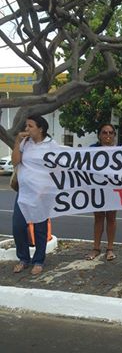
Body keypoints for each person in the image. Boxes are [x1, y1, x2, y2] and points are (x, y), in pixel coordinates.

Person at [11, 115, 58, 275]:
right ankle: (23, 258)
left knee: (40, 228)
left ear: (41, 128)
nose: (26, 129)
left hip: (42, 194)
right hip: (24, 193)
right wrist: (17, 142)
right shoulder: (25, 143)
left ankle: (39, 260)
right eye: (26, 126)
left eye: (30, 126)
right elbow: (15, 162)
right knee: (18, 226)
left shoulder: (51, 145)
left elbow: (58, 168)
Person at [85, 123, 118, 261]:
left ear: (114, 135)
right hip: (97, 187)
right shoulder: (92, 149)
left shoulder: (120, 151)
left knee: (111, 217)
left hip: (112, 188)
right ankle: (96, 248)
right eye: (105, 132)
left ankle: (110, 249)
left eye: (111, 133)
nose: (108, 136)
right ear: (99, 135)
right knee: (98, 217)